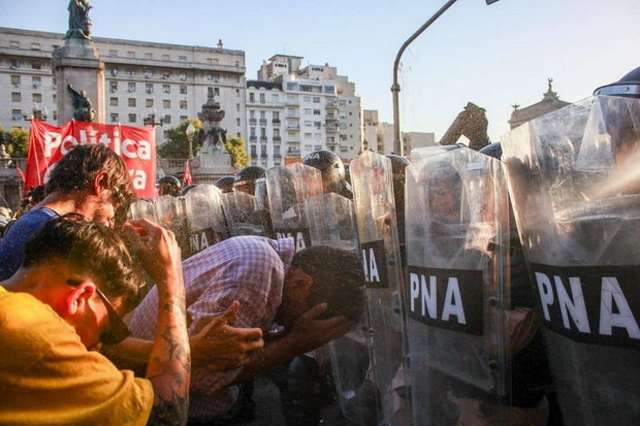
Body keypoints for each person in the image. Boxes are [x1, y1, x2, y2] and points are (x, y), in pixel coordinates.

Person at [127, 235, 366, 424]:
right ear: (301, 283)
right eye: (304, 317)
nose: (295, 324)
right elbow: (194, 379)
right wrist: (295, 343)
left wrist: (289, 337)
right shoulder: (258, 270)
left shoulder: (263, 256)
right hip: (150, 407)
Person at [0, 214, 190, 424]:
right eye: (109, 332)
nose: (98, 348)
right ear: (81, 297)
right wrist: (171, 280)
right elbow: (169, 413)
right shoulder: (38, 336)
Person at [0, 144, 135, 281]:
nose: (110, 222)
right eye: (115, 205)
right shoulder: (57, 236)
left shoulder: (33, 222)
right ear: (100, 183)